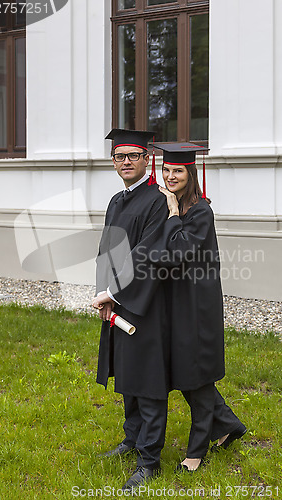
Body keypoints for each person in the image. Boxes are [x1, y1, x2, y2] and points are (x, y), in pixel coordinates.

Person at [150, 142, 247, 473]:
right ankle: (229, 424)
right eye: (166, 170)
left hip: (196, 307)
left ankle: (196, 452)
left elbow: (177, 253)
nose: (170, 176)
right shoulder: (176, 208)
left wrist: (173, 214)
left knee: (197, 378)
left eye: (177, 170)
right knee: (189, 373)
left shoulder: (200, 211)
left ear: (191, 174)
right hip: (177, 302)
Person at [92, 129, 170, 491]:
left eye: (133, 156)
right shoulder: (116, 200)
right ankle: (132, 438)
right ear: (113, 162)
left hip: (145, 302)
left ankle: (149, 460)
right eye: (119, 156)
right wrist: (102, 291)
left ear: (146, 160)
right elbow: (108, 251)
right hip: (117, 299)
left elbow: (148, 255)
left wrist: (113, 292)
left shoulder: (157, 201)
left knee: (148, 380)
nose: (125, 162)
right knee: (126, 373)